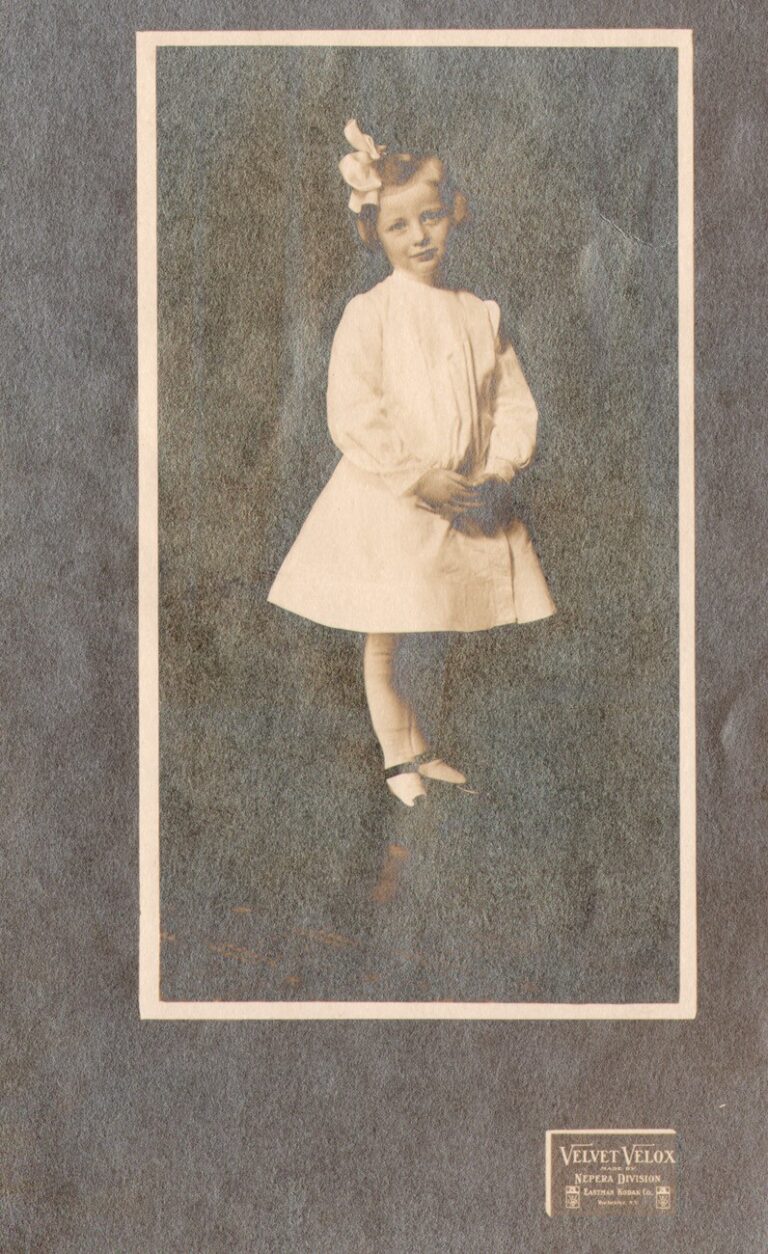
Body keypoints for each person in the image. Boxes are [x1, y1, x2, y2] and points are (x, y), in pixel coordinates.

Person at [267, 120, 556, 807]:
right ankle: (399, 759)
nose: (420, 237)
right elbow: (354, 410)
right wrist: (412, 474)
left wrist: (499, 472)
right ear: (376, 234)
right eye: (400, 226)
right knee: (389, 632)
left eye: (430, 217)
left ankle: (421, 743)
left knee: (440, 627)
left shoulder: (479, 313)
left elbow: (513, 405)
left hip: (463, 501)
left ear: (455, 211)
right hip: (392, 500)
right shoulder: (370, 313)